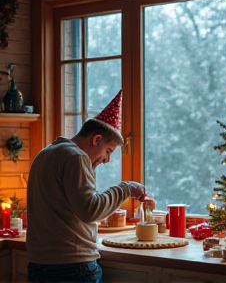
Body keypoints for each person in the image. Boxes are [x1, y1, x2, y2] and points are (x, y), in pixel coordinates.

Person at [26, 90, 146, 283]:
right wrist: (125, 188)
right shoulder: (76, 157)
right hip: (72, 268)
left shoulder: (45, 154)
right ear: (96, 139)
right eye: (108, 151)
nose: (107, 159)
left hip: (38, 266)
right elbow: (90, 210)